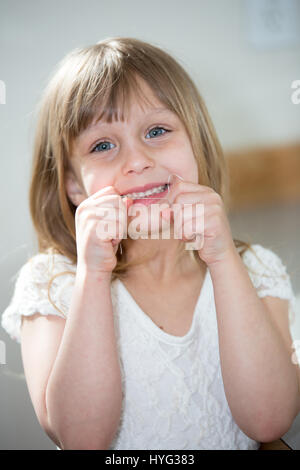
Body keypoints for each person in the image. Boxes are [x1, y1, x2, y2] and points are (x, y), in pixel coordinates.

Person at [1, 37, 299, 451]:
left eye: (157, 131)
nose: (138, 159)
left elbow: (269, 421)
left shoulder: (255, 269)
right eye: (102, 145)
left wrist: (223, 258)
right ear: (72, 184)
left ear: (197, 146)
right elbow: (82, 440)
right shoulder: (53, 283)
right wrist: (94, 275)